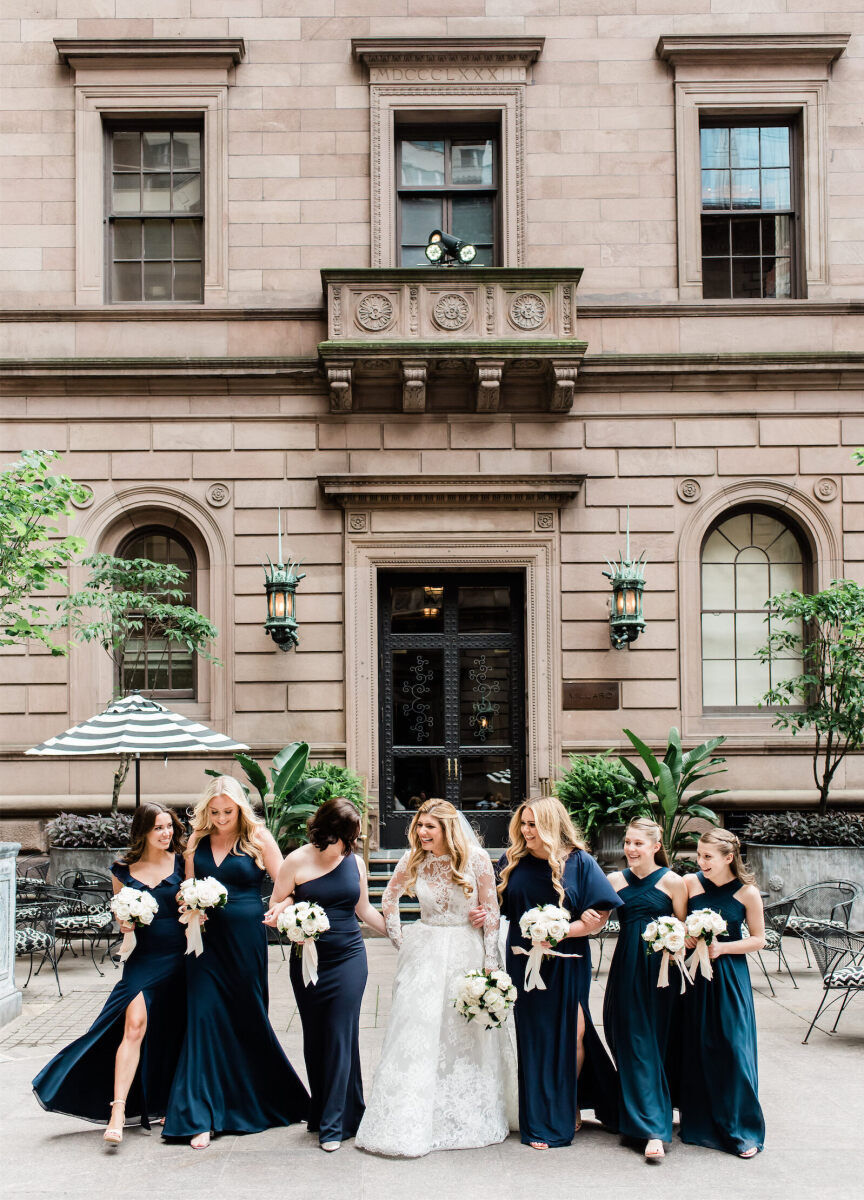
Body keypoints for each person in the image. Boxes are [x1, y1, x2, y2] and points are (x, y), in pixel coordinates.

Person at [355, 799, 517, 1157]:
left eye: (430, 826)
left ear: (447, 828)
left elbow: (492, 911)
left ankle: (468, 1111)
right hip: (425, 951)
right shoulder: (413, 860)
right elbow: (389, 898)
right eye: (419, 826)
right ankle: (412, 1113)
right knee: (417, 1030)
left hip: (466, 949)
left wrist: (490, 962)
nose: (422, 832)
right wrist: (401, 939)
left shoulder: (475, 860)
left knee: (463, 1029)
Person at [162, 776, 309, 1149]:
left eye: (228, 811)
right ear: (206, 811)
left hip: (246, 942)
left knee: (247, 1016)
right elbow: (186, 889)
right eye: (215, 812)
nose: (222, 817)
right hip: (205, 944)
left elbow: (287, 887)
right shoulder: (196, 843)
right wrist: (190, 903)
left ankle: (256, 1099)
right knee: (204, 1019)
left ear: (240, 808)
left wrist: (281, 908)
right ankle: (201, 1115)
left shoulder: (259, 838)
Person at [33, 802, 187, 1143]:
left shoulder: (184, 862)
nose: (166, 833)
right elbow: (123, 922)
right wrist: (125, 922)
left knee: (173, 1029)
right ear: (143, 832)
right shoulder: (122, 869)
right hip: (144, 960)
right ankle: (116, 1111)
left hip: (182, 959)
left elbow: (193, 908)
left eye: (169, 827)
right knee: (133, 1025)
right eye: (159, 828)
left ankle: (166, 1102)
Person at [498, 796, 623, 1150]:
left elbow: (596, 919)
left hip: (567, 961)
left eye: (534, 824)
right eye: (523, 823)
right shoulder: (511, 862)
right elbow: (491, 905)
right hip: (524, 963)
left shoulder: (579, 862)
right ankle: (541, 1116)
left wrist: (556, 931)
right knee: (534, 1036)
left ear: (552, 824)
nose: (526, 830)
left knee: (573, 1032)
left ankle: (568, 1103)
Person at [264, 797, 386, 1153]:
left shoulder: (355, 862)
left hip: (349, 957)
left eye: (352, 839)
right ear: (327, 832)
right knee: (317, 1039)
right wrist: (287, 910)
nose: (349, 846)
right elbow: (276, 902)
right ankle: (329, 1112)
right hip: (307, 960)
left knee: (338, 1034)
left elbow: (364, 909)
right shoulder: (296, 861)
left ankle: (333, 1125)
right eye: (345, 838)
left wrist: (397, 935)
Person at [603, 817, 688, 1162]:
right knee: (625, 1037)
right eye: (627, 842)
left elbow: (686, 930)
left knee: (650, 1042)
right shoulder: (612, 880)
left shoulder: (674, 882)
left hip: (662, 973)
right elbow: (594, 920)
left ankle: (654, 1128)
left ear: (656, 846)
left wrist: (674, 938)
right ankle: (637, 1113)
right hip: (625, 969)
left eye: (638, 843)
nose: (631, 849)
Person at [679, 828, 766, 1158]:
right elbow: (676, 922)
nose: (701, 862)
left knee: (733, 1047)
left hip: (729, 976)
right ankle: (701, 1124)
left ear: (729, 857)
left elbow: (759, 939)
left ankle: (742, 1130)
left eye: (708, 857)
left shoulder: (748, 893)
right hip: (695, 977)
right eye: (699, 856)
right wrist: (686, 937)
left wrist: (724, 947)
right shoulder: (690, 884)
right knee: (699, 1044)